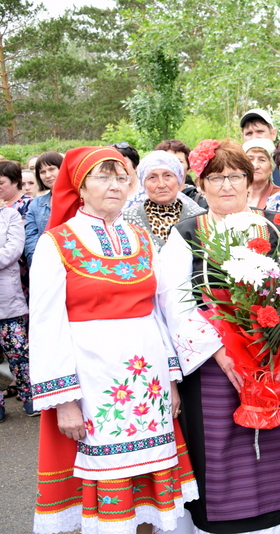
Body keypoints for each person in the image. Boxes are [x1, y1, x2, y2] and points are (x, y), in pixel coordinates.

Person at [159, 140, 280, 533]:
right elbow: (174, 302)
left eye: (235, 176)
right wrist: (220, 353)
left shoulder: (273, 226)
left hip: (277, 358)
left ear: (250, 179)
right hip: (216, 366)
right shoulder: (186, 233)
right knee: (223, 450)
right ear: (200, 185)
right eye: (216, 178)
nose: (226, 186)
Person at [29, 146, 197, 534]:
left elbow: (157, 311)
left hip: (148, 382)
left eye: (122, 177)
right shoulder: (57, 243)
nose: (116, 186)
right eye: (103, 177)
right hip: (93, 383)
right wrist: (65, 402)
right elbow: (46, 326)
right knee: (111, 488)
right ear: (81, 187)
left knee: (150, 493)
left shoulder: (140, 237)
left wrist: (171, 379)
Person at [123, 150, 205, 252]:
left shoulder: (199, 217)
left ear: (178, 179)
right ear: (143, 183)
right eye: (152, 177)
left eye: (167, 176)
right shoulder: (127, 219)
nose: (161, 184)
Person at [0, 202, 34, 421]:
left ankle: (29, 395)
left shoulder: (10, 215)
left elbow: (12, 251)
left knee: (18, 352)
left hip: (7, 300)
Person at [25, 151, 63, 266]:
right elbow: (31, 238)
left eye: (51, 169)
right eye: (42, 172)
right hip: (45, 263)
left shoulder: (81, 199)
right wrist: (39, 264)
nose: (47, 175)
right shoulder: (35, 204)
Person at [241, 108, 280, 188]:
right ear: (243, 137)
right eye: (249, 133)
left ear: (273, 134)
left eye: (260, 132)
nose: (254, 137)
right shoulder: (237, 170)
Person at [243, 138, 280, 209]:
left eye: (262, 160)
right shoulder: (232, 193)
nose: (255, 166)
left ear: (271, 167)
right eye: (250, 159)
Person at [111, 142, 146, 209]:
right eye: (111, 164)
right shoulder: (103, 192)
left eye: (123, 162)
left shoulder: (148, 192)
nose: (117, 167)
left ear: (135, 166)